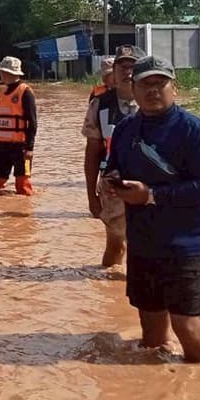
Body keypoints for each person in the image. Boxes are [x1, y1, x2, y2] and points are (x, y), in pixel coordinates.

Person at [101, 55, 200, 363]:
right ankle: (159, 395)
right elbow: (114, 166)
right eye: (145, 84)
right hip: (144, 243)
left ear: (175, 88)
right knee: (152, 334)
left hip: (189, 245)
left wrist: (152, 196)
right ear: (132, 88)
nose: (153, 90)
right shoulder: (125, 131)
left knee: (187, 324)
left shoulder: (194, 131)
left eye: (160, 83)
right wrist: (111, 180)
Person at [83, 45, 143, 267]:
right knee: (115, 245)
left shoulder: (154, 103)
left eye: (133, 67)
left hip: (151, 187)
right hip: (112, 189)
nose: (128, 72)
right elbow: (92, 152)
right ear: (113, 72)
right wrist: (91, 195)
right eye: (122, 67)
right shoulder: (100, 105)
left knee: (147, 246)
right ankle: (108, 292)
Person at [0, 56, 37, 195]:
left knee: (24, 187)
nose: (0, 74)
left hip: (21, 147)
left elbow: (32, 122)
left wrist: (30, 148)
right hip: (3, 146)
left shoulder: (25, 92)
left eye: (1, 72)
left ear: (7, 73)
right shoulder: (3, 94)